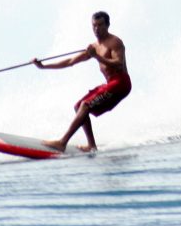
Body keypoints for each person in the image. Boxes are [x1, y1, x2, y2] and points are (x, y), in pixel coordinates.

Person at [34, 11, 131, 152]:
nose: (97, 29)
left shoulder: (115, 42)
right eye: (94, 26)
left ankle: (62, 142)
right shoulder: (94, 47)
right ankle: (91, 145)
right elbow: (70, 61)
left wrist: (96, 56)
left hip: (121, 83)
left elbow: (118, 63)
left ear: (108, 25)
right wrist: (43, 66)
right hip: (111, 83)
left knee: (85, 105)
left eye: (100, 25)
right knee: (79, 106)